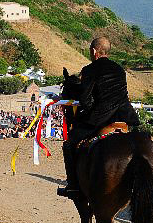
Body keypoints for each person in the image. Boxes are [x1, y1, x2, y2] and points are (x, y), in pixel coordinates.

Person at [57, 37, 140, 199]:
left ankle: (73, 186)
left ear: (94, 52)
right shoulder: (119, 69)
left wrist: (85, 112)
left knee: (69, 144)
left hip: (101, 117)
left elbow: (86, 100)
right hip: (124, 117)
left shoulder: (89, 70)